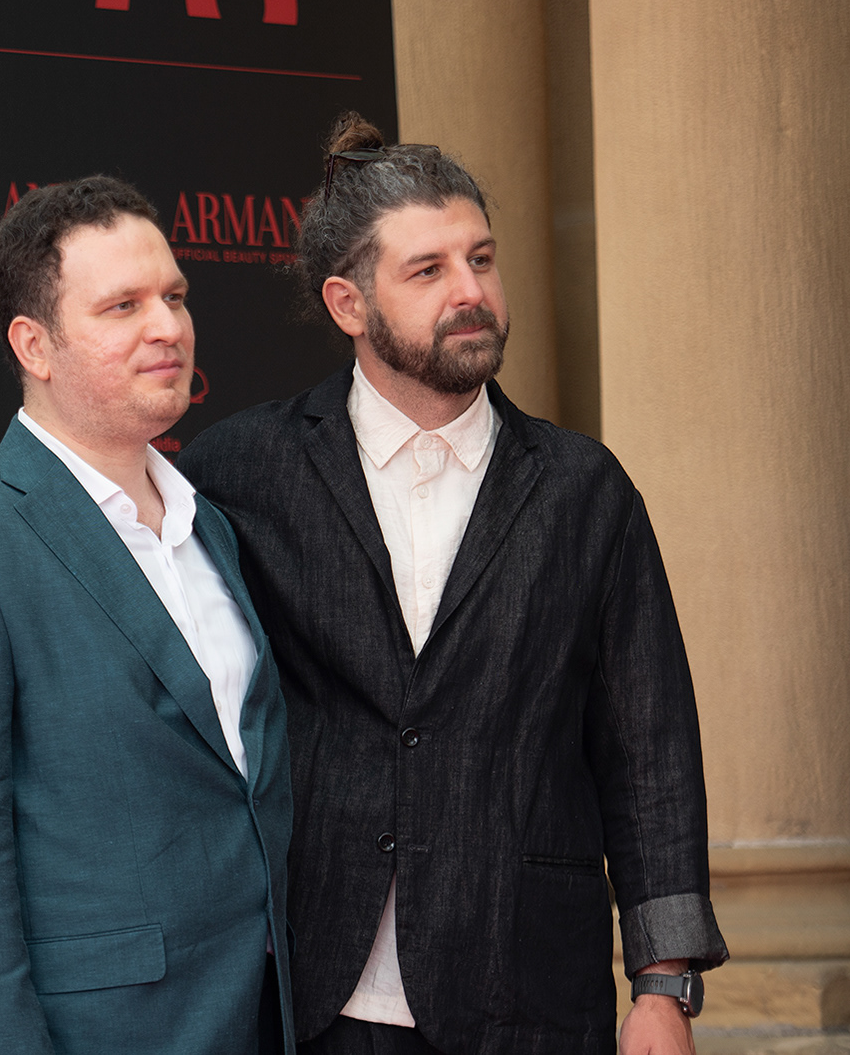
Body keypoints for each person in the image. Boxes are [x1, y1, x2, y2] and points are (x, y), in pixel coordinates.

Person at [180, 115, 728, 1055]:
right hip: (310, 990)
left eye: (481, 259)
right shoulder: (242, 469)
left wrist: (663, 985)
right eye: (428, 270)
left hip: (525, 988)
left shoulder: (584, 490)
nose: (470, 292)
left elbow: (651, 751)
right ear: (349, 304)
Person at [0, 177, 293, 1055]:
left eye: (175, 296)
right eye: (123, 306)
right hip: (100, 1031)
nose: (168, 326)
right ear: (34, 344)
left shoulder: (211, 526)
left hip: (263, 1015)